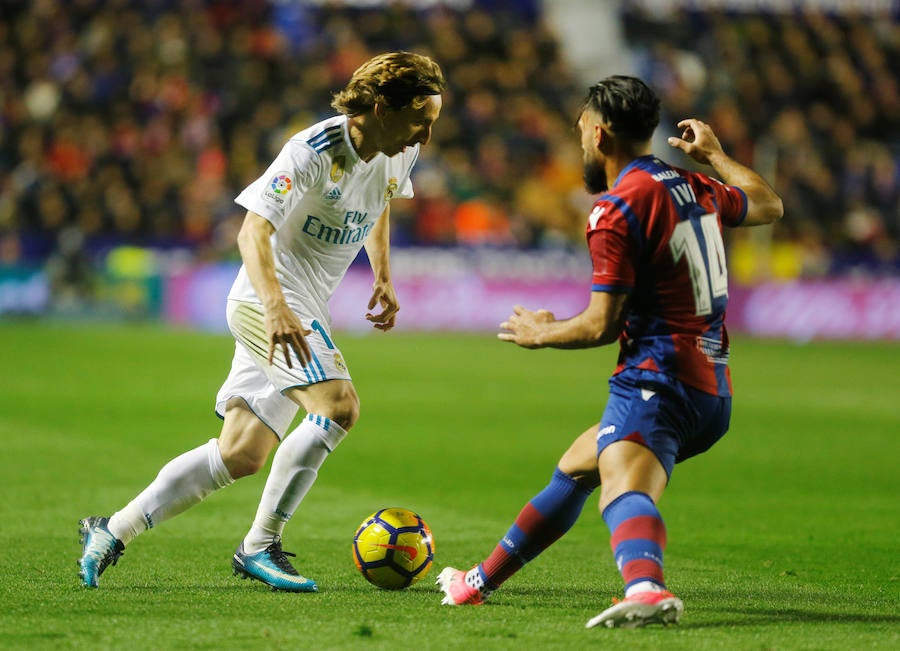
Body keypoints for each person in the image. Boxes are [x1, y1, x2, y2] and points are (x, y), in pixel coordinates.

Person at [78, 51, 445, 592]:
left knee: (242, 452)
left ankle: (111, 529)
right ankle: (260, 545)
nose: (425, 137)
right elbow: (252, 232)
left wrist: (382, 275)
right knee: (338, 406)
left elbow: (380, 201)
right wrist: (275, 305)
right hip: (265, 301)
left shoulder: (398, 151)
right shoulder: (311, 151)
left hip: (301, 307)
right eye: (421, 121)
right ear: (380, 107)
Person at [436, 75, 783, 628]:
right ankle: (476, 582)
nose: (578, 145)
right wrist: (715, 156)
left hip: (659, 379)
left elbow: (602, 324)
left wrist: (539, 332)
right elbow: (768, 204)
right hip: (711, 387)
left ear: (598, 134)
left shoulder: (616, 207)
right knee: (577, 468)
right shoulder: (692, 184)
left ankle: (645, 588)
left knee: (620, 491)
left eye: (579, 133)